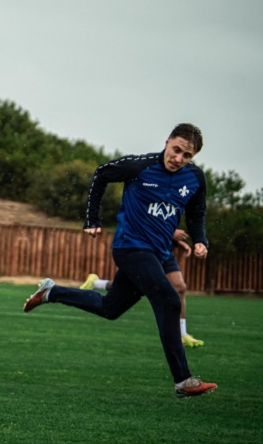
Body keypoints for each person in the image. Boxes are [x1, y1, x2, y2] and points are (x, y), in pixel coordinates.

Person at [23, 124, 216, 398]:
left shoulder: (195, 178)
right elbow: (101, 174)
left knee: (109, 308)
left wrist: (200, 240)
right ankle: (183, 381)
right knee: (170, 300)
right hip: (130, 248)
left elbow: (197, 212)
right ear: (167, 142)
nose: (178, 159)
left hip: (158, 254)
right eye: (176, 150)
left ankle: (51, 292)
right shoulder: (139, 167)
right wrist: (92, 219)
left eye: (187, 156)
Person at [80, 229, 204, 347]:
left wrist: (177, 241)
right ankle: (96, 283)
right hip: (144, 249)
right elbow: (145, 220)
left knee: (180, 287)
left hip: (164, 249)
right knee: (134, 286)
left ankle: (182, 334)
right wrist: (172, 233)